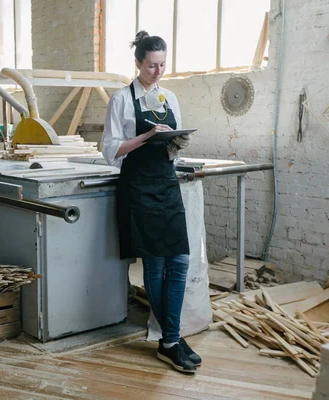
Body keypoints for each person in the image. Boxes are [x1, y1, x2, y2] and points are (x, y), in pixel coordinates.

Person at [101, 31, 200, 373]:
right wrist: (145, 136)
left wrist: (177, 143)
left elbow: (171, 146)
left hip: (166, 186)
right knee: (155, 266)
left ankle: (170, 335)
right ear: (138, 63)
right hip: (139, 188)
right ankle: (170, 341)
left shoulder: (169, 98)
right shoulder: (122, 100)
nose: (157, 72)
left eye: (162, 65)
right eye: (151, 66)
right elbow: (111, 149)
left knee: (180, 261)